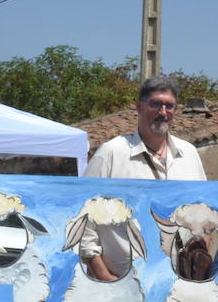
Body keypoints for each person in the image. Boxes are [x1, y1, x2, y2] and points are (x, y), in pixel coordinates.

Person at [81, 76, 206, 282]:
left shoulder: (189, 154)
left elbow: (201, 212)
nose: (162, 112)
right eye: (155, 104)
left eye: (169, 106)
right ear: (139, 107)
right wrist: (104, 275)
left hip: (178, 284)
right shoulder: (111, 153)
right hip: (120, 284)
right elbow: (83, 219)